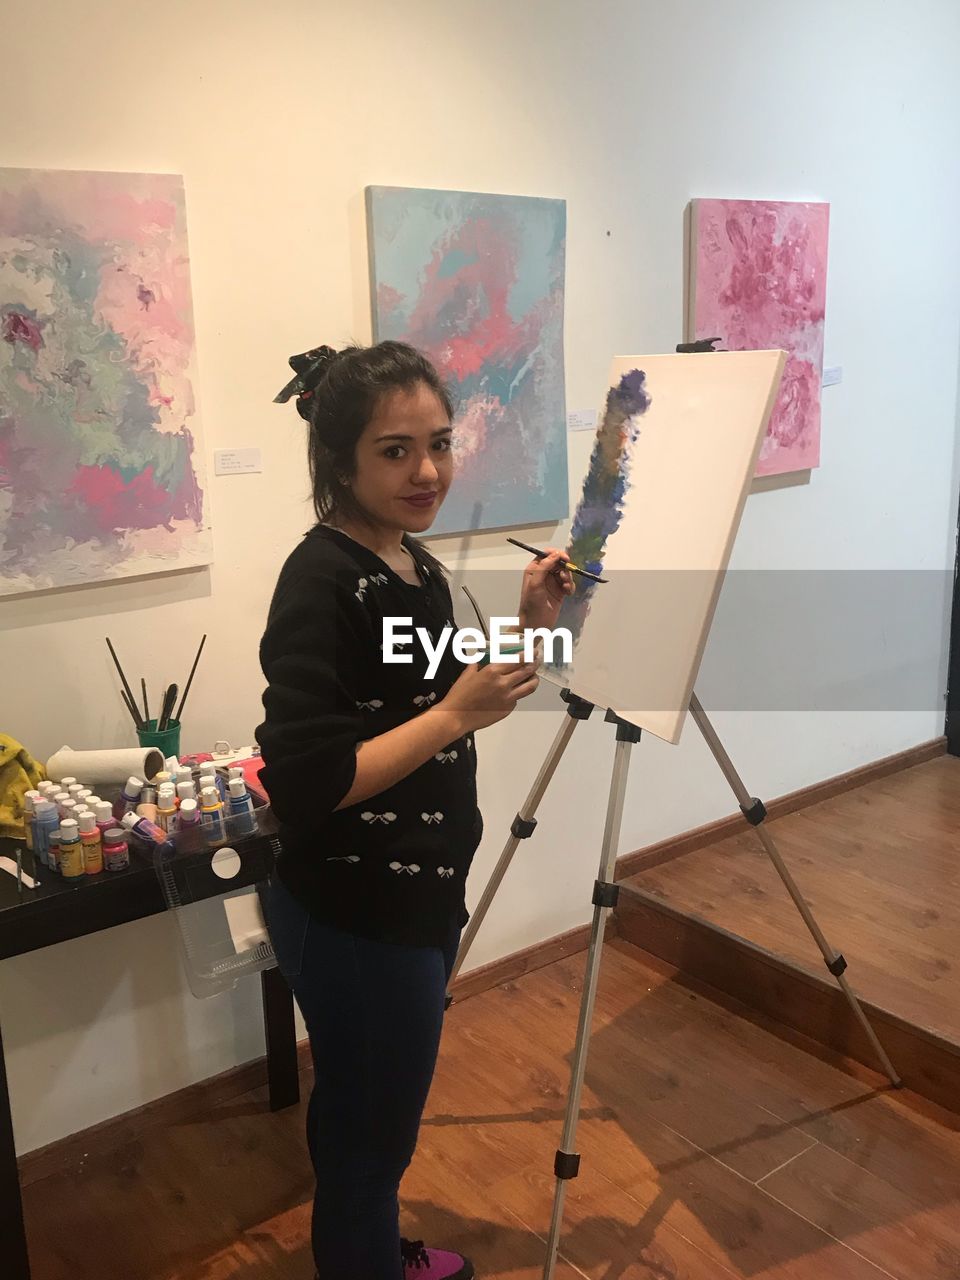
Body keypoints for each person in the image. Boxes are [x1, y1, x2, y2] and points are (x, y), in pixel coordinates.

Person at [257, 340, 573, 1279]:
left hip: (417, 894)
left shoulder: (409, 566)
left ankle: (370, 1251)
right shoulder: (319, 582)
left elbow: (445, 692)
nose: (427, 470)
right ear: (339, 460)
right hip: (354, 911)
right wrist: (449, 715)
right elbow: (306, 780)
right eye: (396, 451)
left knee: (372, 1110)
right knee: (370, 1129)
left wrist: (527, 617)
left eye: (438, 443)